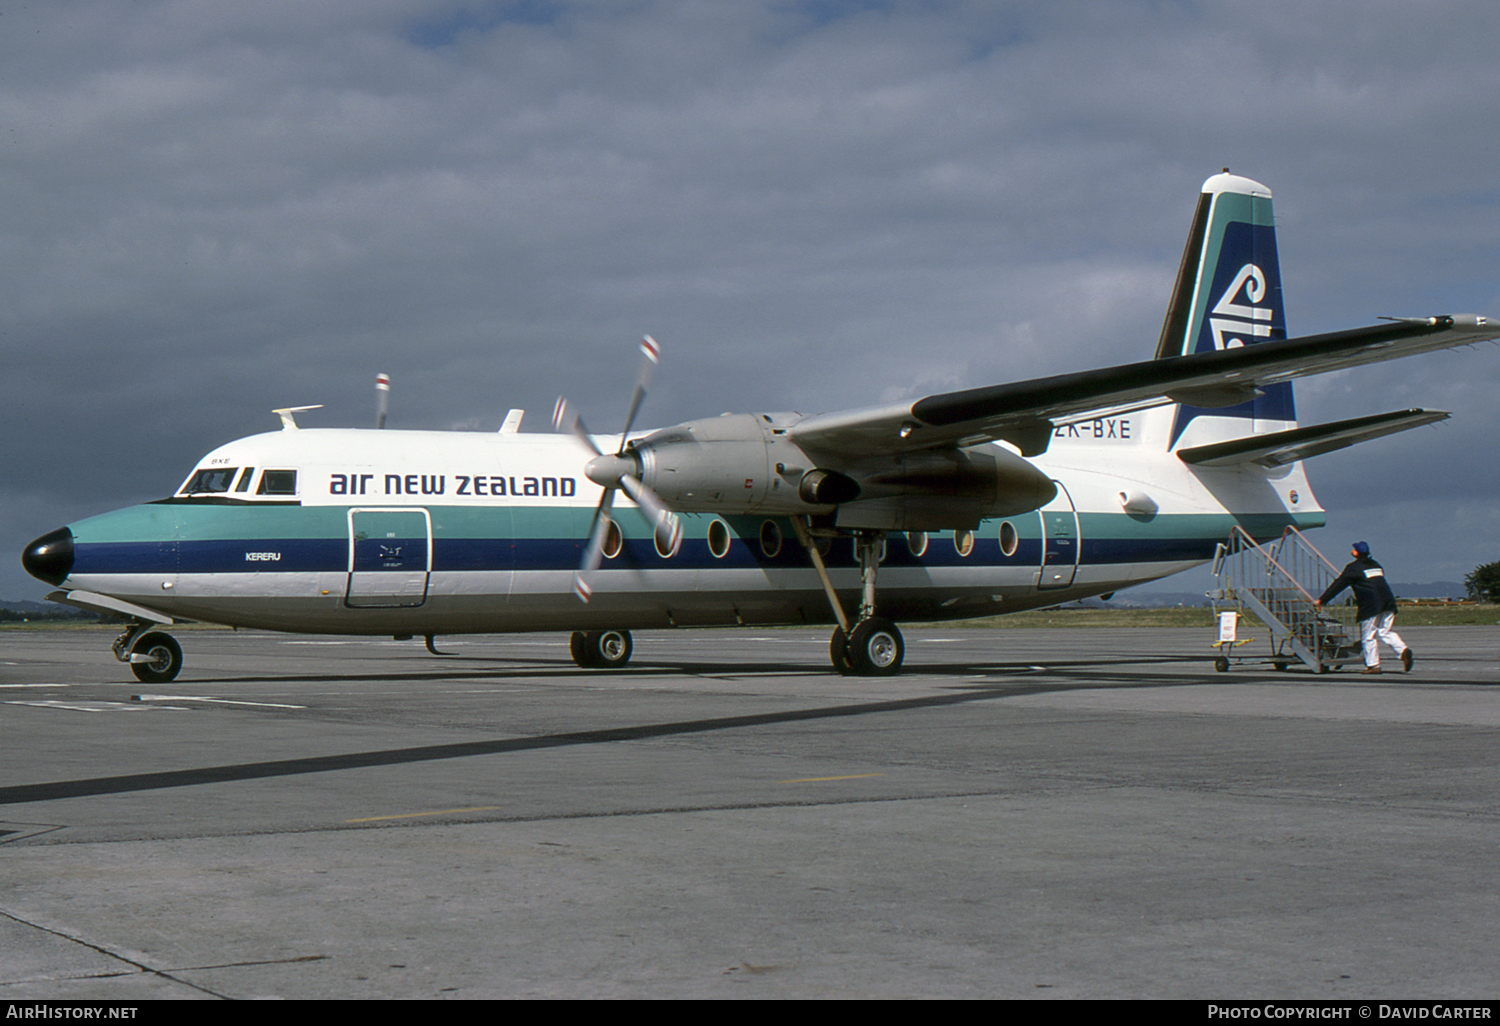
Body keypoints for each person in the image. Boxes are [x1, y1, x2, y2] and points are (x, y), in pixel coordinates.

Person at [1316, 541, 1412, 674]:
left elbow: (1339, 584)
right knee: (1384, 631)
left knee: (1368, 636)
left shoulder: (1353, 568)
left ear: (1356, 552)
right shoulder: (1376, 565)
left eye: (1353, 549)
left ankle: (1373, 666)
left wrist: (1323, 600)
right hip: (1389, 602)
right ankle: (1402, 650)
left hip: (1371, 605)